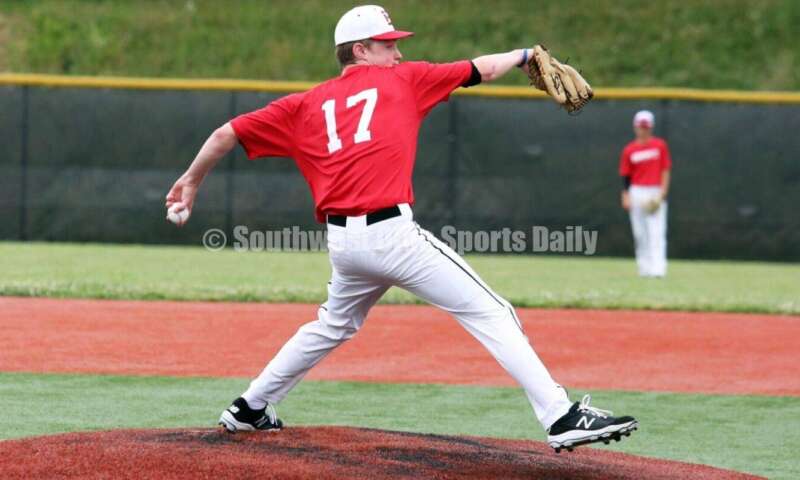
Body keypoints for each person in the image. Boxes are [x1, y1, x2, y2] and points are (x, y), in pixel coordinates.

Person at [166, 5, 637, 452]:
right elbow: (482, 69)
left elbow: (226, 133)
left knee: (332, 324)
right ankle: (560, 416)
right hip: (391, 235)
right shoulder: (406, 81)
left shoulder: (305, 104)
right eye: (388, 44)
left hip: (344, 243)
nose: (399, 53)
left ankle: (250, 407)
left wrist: (190, 181)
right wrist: (526, 56)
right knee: (492, 311)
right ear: (359, 50)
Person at [619, 110, 672, 277]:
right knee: (640, 233)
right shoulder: (629, 150)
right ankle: (644, 269)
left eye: (646, 127)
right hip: (637, 192)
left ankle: (658, 270)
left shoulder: (660, 146)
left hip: (655, 191)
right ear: (635, 127)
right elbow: (626, 175)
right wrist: (626, 196)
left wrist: (663, 192)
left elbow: (665, 169)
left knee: (657, 232)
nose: (643, 130)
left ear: (651, 127)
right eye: (641, 127)